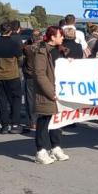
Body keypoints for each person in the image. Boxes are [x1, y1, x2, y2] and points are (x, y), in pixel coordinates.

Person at [32, 26, 70, 165]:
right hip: (47, 93)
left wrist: (69, 63)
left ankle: (55, 147)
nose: (63, 38)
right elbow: (40, 75)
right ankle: (41, 151)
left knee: (57, 121)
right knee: (44, 121)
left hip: (59, 92)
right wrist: (51, 93)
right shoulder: (42, 52)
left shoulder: (60, 50)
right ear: (53, 37)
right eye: (60, 35)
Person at [0, 20, 24, 134]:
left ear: (0, 31)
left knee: (2, 100)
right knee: (16, 99)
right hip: (12, 75)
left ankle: (4, 125)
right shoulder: (14, 43)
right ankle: (15, 124)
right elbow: (20, 59)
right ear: (10, 31)